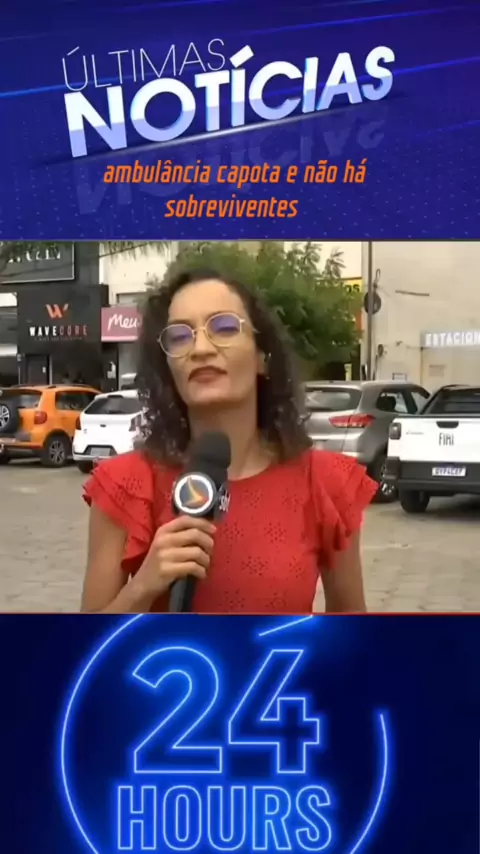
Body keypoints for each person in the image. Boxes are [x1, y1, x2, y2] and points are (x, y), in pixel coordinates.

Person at [81, 269, 377, 615]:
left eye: (223, 327)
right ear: (167, 368)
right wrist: (143, 587)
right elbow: (87, 643)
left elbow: (351, 632)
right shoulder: (125, 485)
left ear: (262, 356)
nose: (200, 349)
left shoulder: (324, 482)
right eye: (179, 336)